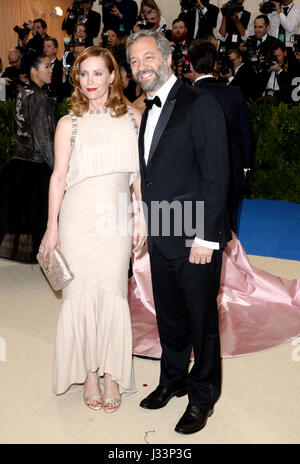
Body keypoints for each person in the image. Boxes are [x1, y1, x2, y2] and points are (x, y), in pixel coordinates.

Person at [127, 30, 231, 434]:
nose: (141, 67)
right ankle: (172, 380)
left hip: (194, 235)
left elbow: (216, 174)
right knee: (169, 316)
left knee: (201, 321)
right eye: (134, 62)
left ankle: (202, 396)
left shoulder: (200, 103)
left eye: (148, 57)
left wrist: (206, 236)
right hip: (162, 230)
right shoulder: (145, 109)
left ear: (169, 58)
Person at [39, 46, 145, 412]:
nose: (90, 82)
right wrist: (51, 228)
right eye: (83, 74)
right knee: (79, 295)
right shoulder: (69, 123)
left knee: (114, 293)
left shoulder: (133, 118)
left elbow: (139, 177)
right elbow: (58, 178)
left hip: (116, 216)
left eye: (98, 73)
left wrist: (143, 216)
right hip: (77, 217)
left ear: (113, 76)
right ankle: (88, 375)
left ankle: (113, 375)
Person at [190, 41, 253, 233]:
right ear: (216, 65)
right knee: (230, 219)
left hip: (196, 170)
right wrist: (245, 165)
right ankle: (231, 260)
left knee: (198, 220)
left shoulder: (187, 96)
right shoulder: (234, 92)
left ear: (191, 65)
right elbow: (245, 132)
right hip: (232, 166)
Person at [0, 51, 55, 263]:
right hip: (35, 165)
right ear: (34, 72)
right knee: (41, 216)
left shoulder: (24, 93)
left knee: (22, 216)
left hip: (19, 164)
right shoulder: (38, 98)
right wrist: (58, 167)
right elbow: (43, 139)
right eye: (47, 67)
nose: (50, 71)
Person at [43, 37, 64, 102]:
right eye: (44, 47)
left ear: (55, 50)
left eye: (48, 46)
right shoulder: (40, 66)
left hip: (57, 102)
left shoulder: (61, 65)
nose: (45, 48)